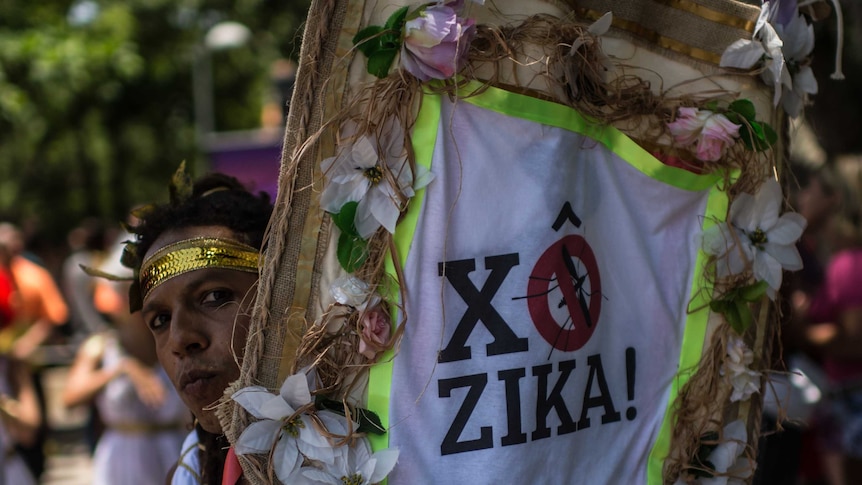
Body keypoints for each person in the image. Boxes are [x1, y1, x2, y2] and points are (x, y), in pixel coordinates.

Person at [119, 166, 272, 484]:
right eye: (160, 320)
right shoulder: (187, 475)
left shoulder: (366, 448)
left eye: (214, 296)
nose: (180, 339)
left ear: (280, 292)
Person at [63, 220, 189, 485]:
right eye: (121, 294)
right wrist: (122, 369)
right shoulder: (101, 346)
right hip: (121, 461)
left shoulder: (178, 341)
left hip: (174, 453)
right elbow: (70, 398)